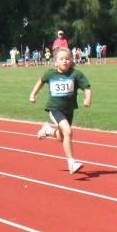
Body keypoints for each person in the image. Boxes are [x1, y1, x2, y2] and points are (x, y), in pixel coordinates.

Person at [29, 46, 91, 174]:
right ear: (55, 62)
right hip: (54, 108)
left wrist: (87, 99)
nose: (64, 61)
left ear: (71, 60)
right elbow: (40, 82)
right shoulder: (50, 74)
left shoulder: (76, 74)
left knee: (61, 136)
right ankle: (71, 163)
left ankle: (48, 130)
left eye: (67, 59)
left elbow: (87, 87)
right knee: (68, 132)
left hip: (69, 109)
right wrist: (33, 94)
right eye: (61, 59)